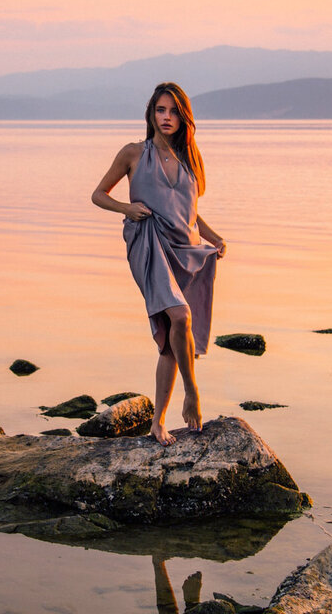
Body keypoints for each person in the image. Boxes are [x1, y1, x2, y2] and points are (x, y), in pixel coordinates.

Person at [92, 82, 227, 445]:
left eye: (173, 112)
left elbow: (190, 213)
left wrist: (214, 238)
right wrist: (127, 208)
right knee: (181, 316)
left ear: (184, 118)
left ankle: (157, 422)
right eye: (160, 110)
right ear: (151, 113)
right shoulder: (133, 153)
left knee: (171, 340)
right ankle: (193, 392)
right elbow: (98, 195)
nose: (166, 118)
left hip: (185, 248)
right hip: (148, 243)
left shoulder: (191, 158)